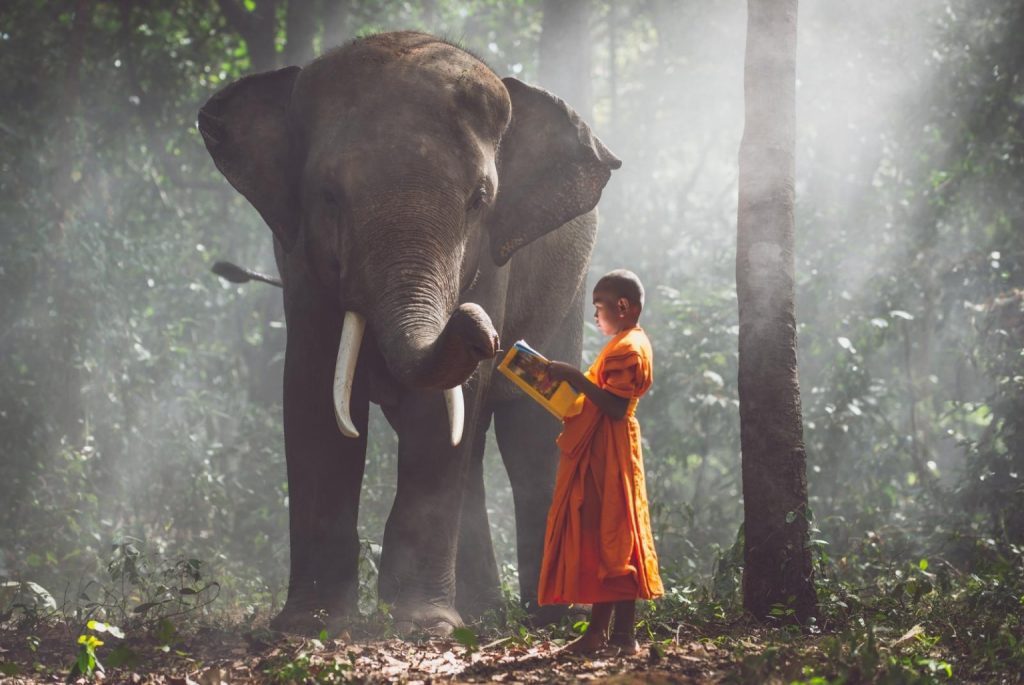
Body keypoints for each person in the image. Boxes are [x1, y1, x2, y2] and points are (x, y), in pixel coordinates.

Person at [540, 269, 663, 655]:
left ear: (624, 307)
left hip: (612, 452)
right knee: (613, 539)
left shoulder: (630, 347)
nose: (596, 316)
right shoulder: (623, 342)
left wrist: (574, 377)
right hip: (605, 450)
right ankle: (616, 636)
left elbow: (614, 407)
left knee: (611, 538)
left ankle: (608, 636)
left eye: (600, 307)